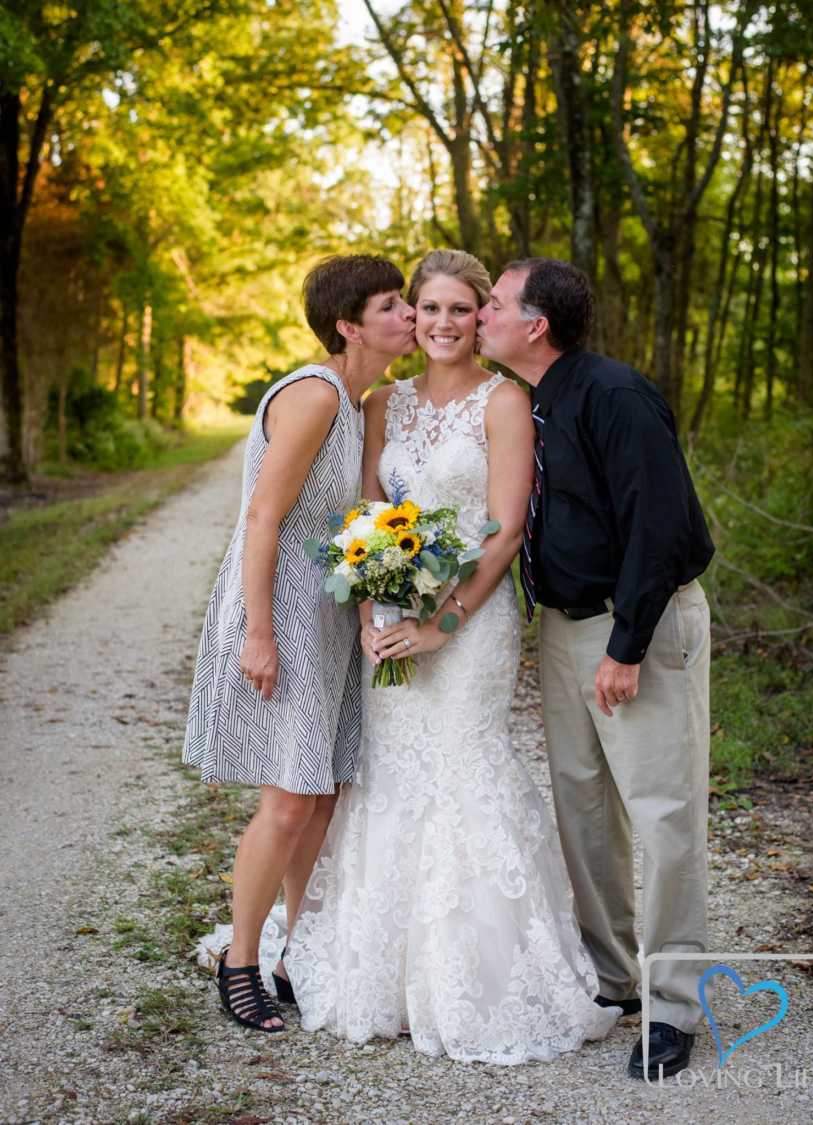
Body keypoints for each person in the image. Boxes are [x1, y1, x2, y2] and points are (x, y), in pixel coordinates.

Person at [276, 249, 619, 1063]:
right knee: (391, 772)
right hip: (390, 619)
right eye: (426, 308)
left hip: (472, 625)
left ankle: (480, 974)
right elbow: (364, 519)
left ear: (481, 319)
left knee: (463, 766)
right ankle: (382, 970)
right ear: (411, 317)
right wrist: (371, 607)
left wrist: (445, 622)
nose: (440, 324)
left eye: (460, 310)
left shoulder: (506, 402)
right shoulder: (381, 404)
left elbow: (502, 529)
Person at [476, 257, 715, 1080]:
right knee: (582, 804)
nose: (479, 315)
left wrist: (627, 646)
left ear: (535, 324)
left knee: (662, 810)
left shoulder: (615, 396)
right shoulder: (527, 401)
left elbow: (661, 525)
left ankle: (675, 1003)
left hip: (633, 622)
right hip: (564, 627)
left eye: (495, 304)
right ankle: (613, 978)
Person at [183, 254, 416, 1032]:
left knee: (319, 793)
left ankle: (291, 952)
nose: (410, 315)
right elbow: (262, 517)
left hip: (325, 613)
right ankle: (240, 959)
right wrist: (257, 631)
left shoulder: (360, 399)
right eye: (393, 306)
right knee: (286, 800)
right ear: (349, 326)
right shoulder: (315, 395)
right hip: (278, 606)